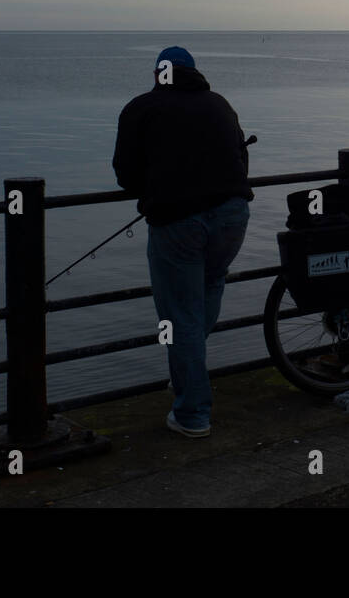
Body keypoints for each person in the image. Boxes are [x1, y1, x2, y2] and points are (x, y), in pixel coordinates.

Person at [112, 46, 253, 437]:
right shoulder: (220, 105)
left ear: (159, 74)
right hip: (232, 215)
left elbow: (125, 175)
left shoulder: (141, 108)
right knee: (207, 291)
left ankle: (193, 413)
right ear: (194, 72)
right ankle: (188, 373)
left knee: (179, 317)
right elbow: (241, 162)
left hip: (178, 223)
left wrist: (157, 184)